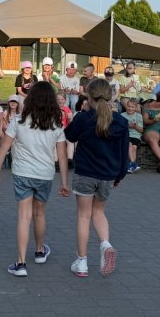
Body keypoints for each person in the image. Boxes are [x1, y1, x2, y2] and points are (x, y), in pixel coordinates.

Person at [0, 81, 68, 277]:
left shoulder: (18, 122)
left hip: (22, 173)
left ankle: (21, 262)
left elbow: (4, 148)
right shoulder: (56, 124)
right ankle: (40, 251)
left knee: (24, 217)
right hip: (45, 174)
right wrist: (65, 182)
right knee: (39, 214)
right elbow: (63, 155)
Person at [64, 78, 127, 277]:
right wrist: (119, 176)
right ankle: (105, 245)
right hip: (108, 174)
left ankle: (82, 262)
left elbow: (70, 135)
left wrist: (80, 113)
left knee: (83, 216)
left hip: (86, 173)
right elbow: (123, 153)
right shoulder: (121, 121)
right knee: (99, 212)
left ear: (89, 97)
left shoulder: (84, 118)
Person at [121, 99, 144, 174]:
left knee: (134, 147)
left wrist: (135, 126)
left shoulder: (139, 116)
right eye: (128, 106)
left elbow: (141, 130)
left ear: (136, 108)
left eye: (132, 107)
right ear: (126, 106)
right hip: (126, 135)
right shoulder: (122, 115)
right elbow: (119, 128)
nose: (130, 108)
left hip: (136, 136)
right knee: (130, 145)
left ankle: (131, 165)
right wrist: (127, 126)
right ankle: (133, 164)